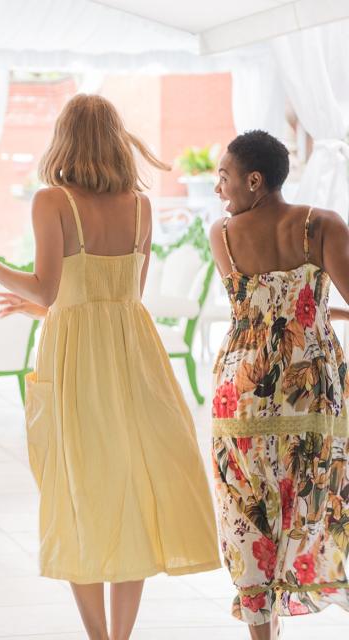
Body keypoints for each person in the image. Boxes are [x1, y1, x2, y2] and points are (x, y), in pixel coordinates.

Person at [0, 94, 220, 640]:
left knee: (78, 493)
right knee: (130, 494)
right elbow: (123, 296)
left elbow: (50, 289)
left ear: (64, 138)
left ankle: (98, 639)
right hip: (136, 360)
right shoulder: (141, 206)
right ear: (116, 138)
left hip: (77, 362)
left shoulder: (52, 201)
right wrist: (45, 306)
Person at [209, 130, 349, 640]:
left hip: (240, 390)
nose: (217, 186)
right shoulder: (321, 225)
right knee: (312, 494)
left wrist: (302, 305)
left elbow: (254, 309)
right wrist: (314, 307)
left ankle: (262, 636)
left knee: (245, 509)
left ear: (254, 179)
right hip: (310, 387)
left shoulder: (220, 236)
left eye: (223, 176)